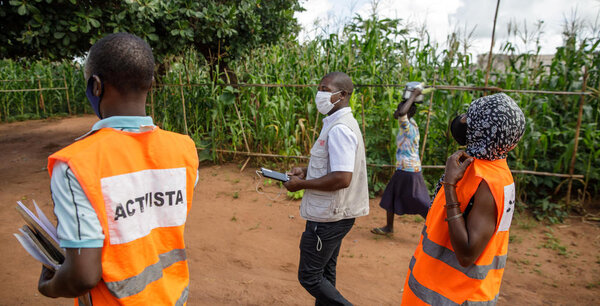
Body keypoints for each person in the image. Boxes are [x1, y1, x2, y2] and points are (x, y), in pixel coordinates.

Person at [37, 33, 199, 305]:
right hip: (173, 298)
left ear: (96, 86)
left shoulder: (76, 163)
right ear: (150, 83)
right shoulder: (185, 149)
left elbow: (83, 277)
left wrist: (49, 286)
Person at [401, 93, 525, 305]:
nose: (462, 120)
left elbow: (467, 254)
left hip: (453, 296)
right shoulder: (482, 167)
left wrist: (449, 185)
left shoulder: (486, 181)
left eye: (470, 117)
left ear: (482, 130)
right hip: (438, 290)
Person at [283, 72, 369, 306]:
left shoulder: (340, 129)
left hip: (329, 217)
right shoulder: (336, 123)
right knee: (325, 274)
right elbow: (333, 166)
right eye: (319, 88)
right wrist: (305, 171)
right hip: (336, 214)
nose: (319, 94)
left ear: (342, 95)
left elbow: (342, 178)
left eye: (324, 89)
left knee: (310, 277)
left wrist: (302, 185)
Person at [371, 82, 431, 236]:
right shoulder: (411, 123)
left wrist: (413, 96)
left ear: (408, 111)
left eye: (400, 109)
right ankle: (389, 227)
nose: (397, 111)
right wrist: (407, 102)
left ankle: (437, 226)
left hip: (408, 170)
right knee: (391, 195)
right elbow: (400, 113)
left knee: (420, 202)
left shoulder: (407, 126)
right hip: (406, 169)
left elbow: (403, 112)